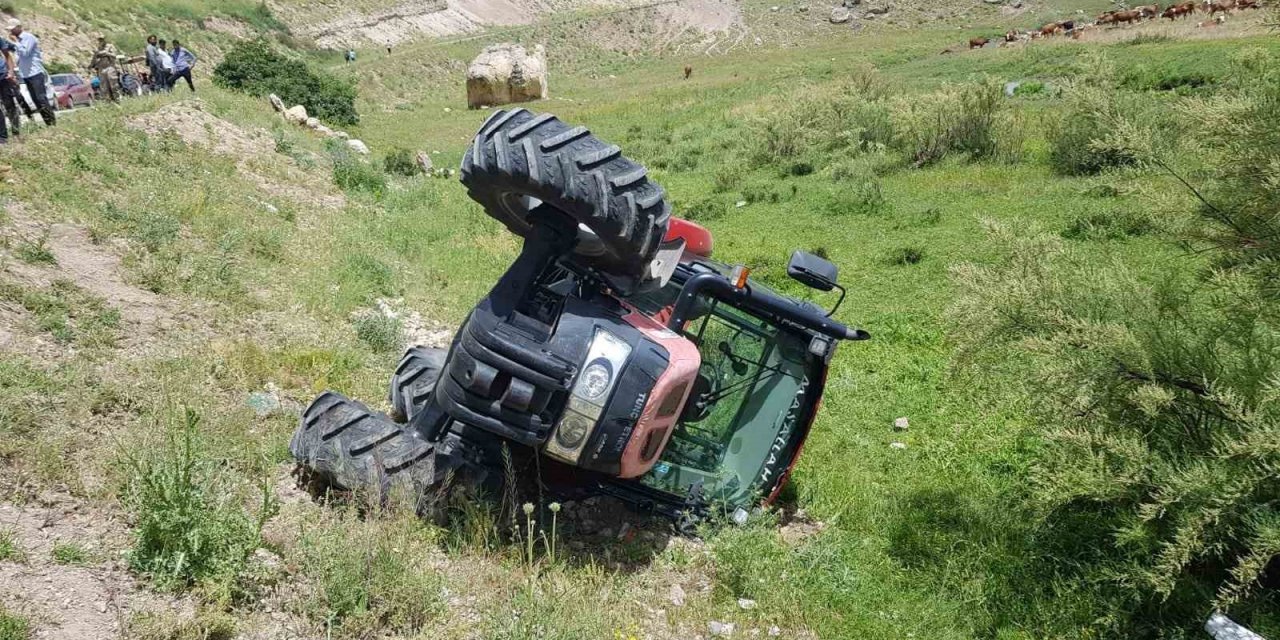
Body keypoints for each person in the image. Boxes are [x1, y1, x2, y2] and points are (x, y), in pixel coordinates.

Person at [7, 19, 54, 126]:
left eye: (13, 29)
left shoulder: (28, 37)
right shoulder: (18, 40)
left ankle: (52, 123)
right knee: (35, 100)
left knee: (41, 98)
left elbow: (26, 53)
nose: (11, 32)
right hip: (26, 74)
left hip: (35, 73)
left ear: (19, 27)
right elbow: (18, 53)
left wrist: (15, 42)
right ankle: (47, 122)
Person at [89, 35, 121, 102]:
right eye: (99, 40)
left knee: (113, 85)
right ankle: (108, 101)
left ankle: (117, 100)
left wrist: (106, 53)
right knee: (104, 87)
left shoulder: (110, 46)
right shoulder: (98, 49)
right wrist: (91, 65)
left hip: (110, 67)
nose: (101, 41)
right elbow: (94, 59)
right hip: (101, 69)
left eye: (102, 39)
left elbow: (114, 55)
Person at [0, 33, 20, 140]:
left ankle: (16, 133)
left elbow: (7, 55)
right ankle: (2, 138)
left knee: (10, 106)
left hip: (3, 76)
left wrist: (11, 72)